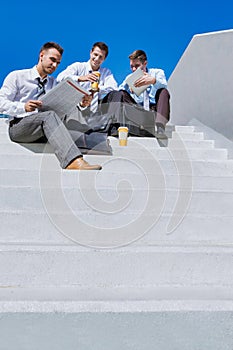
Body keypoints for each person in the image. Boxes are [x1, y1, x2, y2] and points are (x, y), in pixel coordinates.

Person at [0, 42, 102, 170]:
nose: (54, 66)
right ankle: (72, 160)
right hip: (19, 127)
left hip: (44, 127)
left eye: (58, 63)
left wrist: (82, 103)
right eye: (52, 60)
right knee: (48, 116)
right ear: (41, 56)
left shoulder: (54, 83)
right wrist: (23, 107)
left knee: (68, 110)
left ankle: (84, 141)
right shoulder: (17, 76)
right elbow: (1, 103)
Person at [103, 49, 170, 138]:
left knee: (163, 91)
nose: (134, 69)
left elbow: (164, 85)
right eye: (132, 66)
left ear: (145, 63)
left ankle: (160, 128)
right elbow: (118, 93)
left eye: (137, 66)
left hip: (153, 111)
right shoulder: (129, 78)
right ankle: (114, 125)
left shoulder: (157, 72)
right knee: (121, 93)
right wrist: (128, 89)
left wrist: (153, 81)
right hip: (138, 111)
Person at [57, 41, 118, 119]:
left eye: (101, 57)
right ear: (91, 52)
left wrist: (98, 89)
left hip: (97, 110)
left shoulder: (106, 72)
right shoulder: (78, 66)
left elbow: (114, 88)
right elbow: (60, 77)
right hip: (77, 107)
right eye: (95, 55)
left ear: (104, 59)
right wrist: (79, 78)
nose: (97, 59)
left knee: (117, 95)